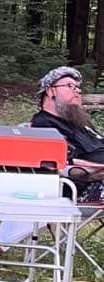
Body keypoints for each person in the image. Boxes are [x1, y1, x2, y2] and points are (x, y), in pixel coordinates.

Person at [31, 66, 104, 202]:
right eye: (70, 86)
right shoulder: (44, 125)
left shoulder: (79, 122)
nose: (77, 91)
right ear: (50, 90)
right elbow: (65, 166)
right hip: (86, 189)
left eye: (77, 87)